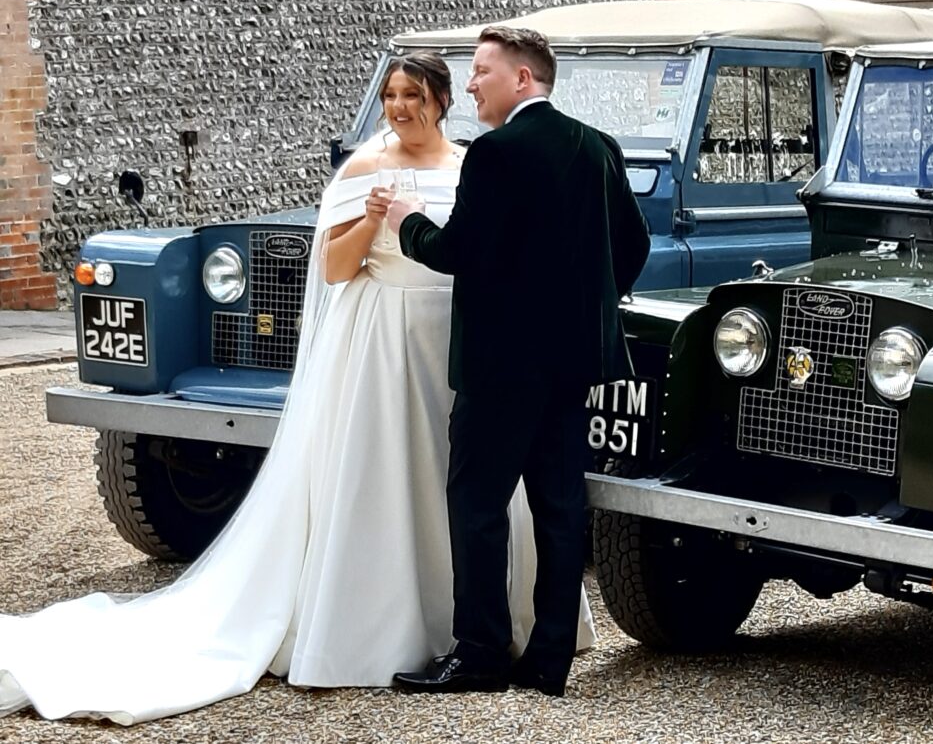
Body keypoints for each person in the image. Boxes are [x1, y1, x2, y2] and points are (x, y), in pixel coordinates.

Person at [0, 50, 594, 725]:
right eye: (392, 96)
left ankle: (485, 631)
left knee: (469, 490)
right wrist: (375, 220)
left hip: (464, 344)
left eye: (413, 96)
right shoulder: (365, 168)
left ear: (442, 99)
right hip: (387, 341)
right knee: (388, 478)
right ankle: (389, 627)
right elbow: (337, 269)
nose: (400, 108)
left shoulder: (475, 164)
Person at [390, 28, 650, 697]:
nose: (471, 84)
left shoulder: (494, 154)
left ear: (523, 79)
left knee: (477, 504)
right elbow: (633, 244)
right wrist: (581, 305)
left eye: (481, 71)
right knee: (559, 510)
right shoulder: (599, 148)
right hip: (569, 368)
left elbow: (455, 252)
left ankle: (478, 652)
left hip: (499, 368)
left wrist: (410, 219)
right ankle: (548, 661)